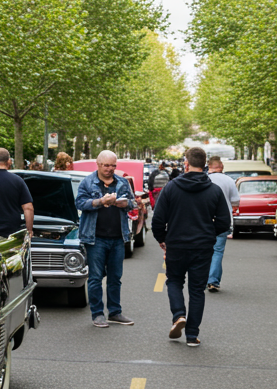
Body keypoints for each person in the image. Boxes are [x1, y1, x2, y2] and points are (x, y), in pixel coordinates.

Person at [151, 147, 231, 347]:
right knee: (197, 290)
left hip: (176, 244)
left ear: (186, 163)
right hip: (202, 247)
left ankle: (178, 315)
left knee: (174, 281)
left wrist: (162, 239)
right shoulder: (214, 190)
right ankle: (192, 335)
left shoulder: (171, 188)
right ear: (205, 165)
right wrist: (209, 234)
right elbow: (224, 222)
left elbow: (158, 219)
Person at [74, 150, 138, 328]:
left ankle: (115, 312)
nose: (110, 169)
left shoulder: (122, 182)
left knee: (115, 277)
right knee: (95, 277)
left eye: (113, 166)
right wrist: (99, 202)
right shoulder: (88, 182)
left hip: (118, 237)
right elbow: (79, 203)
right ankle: (97, 314)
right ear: (98, 164)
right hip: (95, 238)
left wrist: (126, 204)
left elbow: (133, 203)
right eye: (106, 165)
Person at [205, 156, 240, 293]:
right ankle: (213, 280)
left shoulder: (204, 179)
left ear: (209, 166)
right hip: (222, 220)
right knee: (217, 251)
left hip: (203, 220)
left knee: (203, 251)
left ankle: (201, 279)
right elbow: (235, 201)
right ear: (221, 166)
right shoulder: (229, 180)